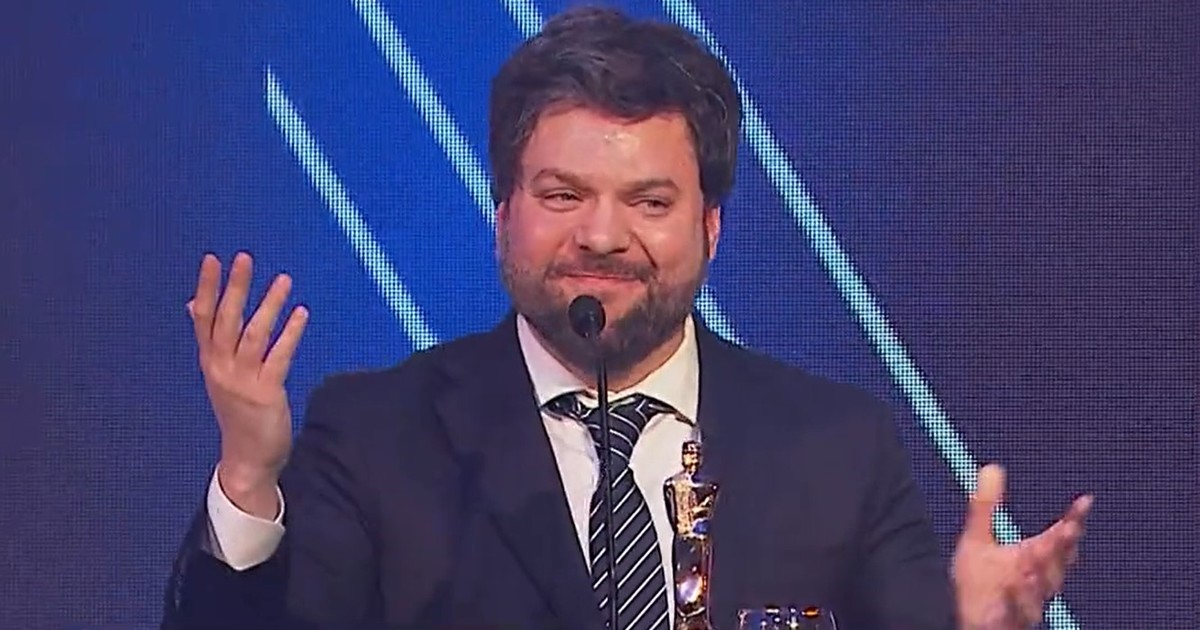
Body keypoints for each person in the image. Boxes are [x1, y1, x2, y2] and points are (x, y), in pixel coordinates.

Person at [161, 6, 1091, 630]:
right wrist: (247, 483)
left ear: (711, 227)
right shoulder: (375, 436)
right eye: (563, 195)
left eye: (649, 202)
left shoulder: (838, 447)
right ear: (502, 213)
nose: (602, 236)